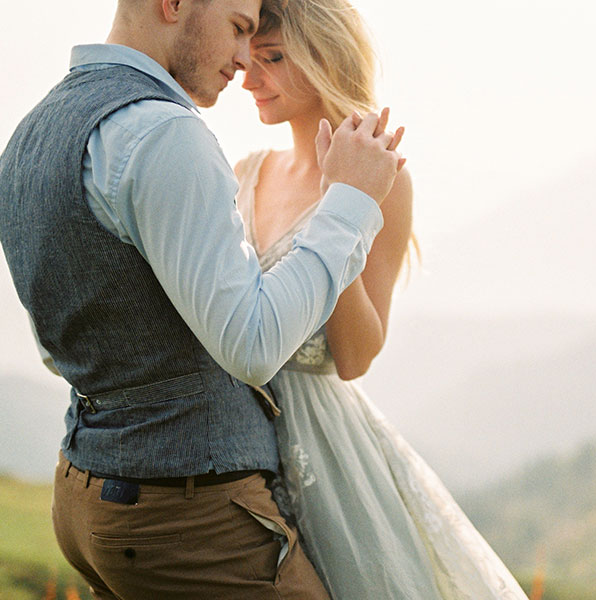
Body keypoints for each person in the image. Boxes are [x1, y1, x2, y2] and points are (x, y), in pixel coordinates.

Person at [0, 0, 406, 597]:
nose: (244, 64)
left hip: (86, 490)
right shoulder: (163, 133)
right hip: (187, 510)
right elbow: (252, 345)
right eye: (240, 29)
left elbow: (56, 346)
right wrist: (344, 204)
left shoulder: (33, 132)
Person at [236, 2, 529, 598]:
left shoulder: (385, 177)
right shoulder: (243, 172)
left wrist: (338, 204)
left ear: (323, 60)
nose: (249, 78)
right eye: (249, 58)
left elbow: (356, 357)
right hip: (225, 443)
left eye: (271, 59)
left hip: (323, 451)